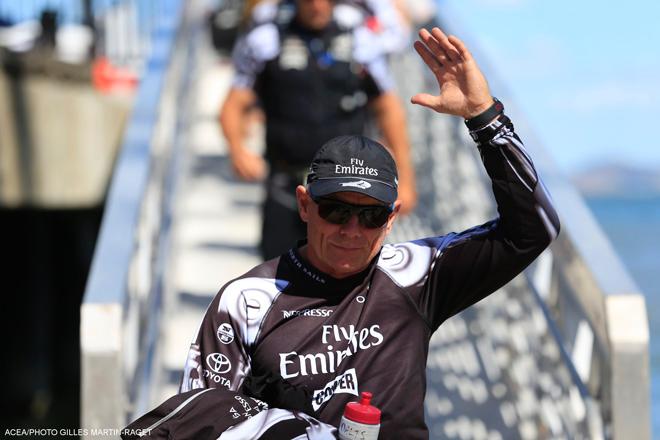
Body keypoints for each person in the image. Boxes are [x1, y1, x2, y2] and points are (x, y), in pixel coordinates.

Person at [123, 27, 560, 439]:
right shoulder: (246, 301)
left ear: (392, 218)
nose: (352, 230)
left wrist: (485, 119)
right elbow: (195, 418)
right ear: (304, 205)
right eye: (335, 211)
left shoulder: (417, 276)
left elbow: (533, 229)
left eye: (371, 217)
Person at [221, 0, 417, 260]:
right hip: (286, 184)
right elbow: (233, 106)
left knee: (346, 280)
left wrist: (406, 177)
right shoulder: (266, 41)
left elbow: (388, 109)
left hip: (347, 194)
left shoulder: (361, 41)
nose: (317, 5)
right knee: (277, 276)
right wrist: (237, 150)